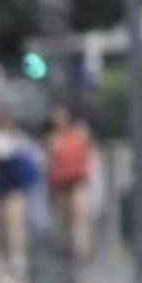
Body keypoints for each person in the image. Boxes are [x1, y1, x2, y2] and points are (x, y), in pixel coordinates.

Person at [47, 103, 94, 260]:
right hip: (60, 182)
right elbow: (50, 162)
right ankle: (66, 245)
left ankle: (81, 249)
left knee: (79, 214)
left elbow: (87, 155)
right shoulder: (53, 139)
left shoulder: (79, 134)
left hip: (77, 179)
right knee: (63, 216)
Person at [0, 109, 33, 270]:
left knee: (15, 223)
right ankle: (3, 255)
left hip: (16, 187)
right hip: (1, 187)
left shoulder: (19, 139)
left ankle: (17, 255)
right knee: (1, 224)